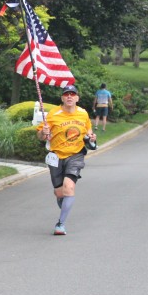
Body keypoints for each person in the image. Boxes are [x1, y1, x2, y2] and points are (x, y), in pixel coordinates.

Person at [37, 84, 95, 236]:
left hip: (75, 155)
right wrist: (43, 132)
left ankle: (60, 224)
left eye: (72, 94)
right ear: (62, 98)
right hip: (56, 156)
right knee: (59, 193)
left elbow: (88, 132)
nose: (69, 96)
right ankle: (65, 207)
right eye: (66, 94)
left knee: (68, 188)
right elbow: (41, 136)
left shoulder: (83, 113)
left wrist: (91, 137)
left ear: (77, 98)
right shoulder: (53, 114)